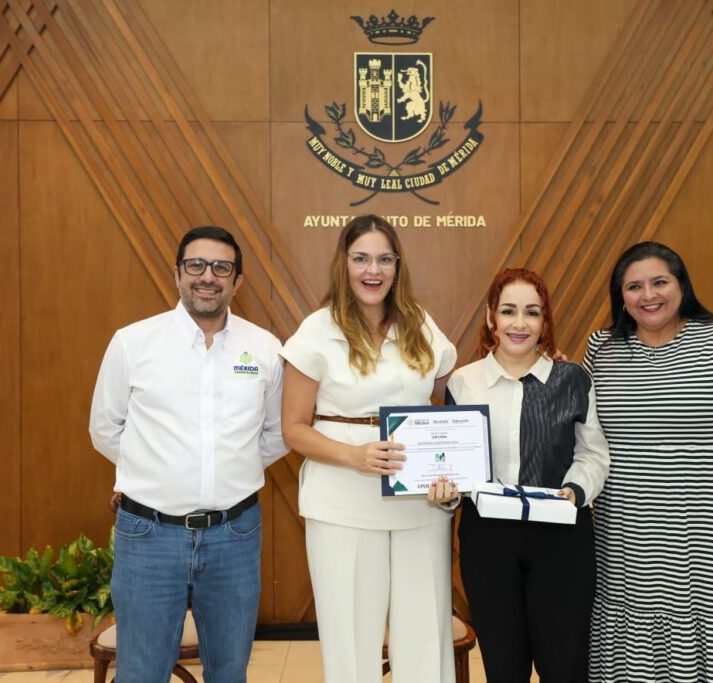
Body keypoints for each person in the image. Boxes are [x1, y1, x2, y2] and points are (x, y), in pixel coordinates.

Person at [89, 226, 287, 683]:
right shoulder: (133, 342)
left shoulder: (265, 348)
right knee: (141, 673)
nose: (207, 276)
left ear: (237, 281)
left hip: (235, 535)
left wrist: (228, 469)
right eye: (196, 265)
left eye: (221, 267)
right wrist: (157, 469)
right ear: (178, 274)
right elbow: (105, 428)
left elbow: (276, 434)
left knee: (230, 672)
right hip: (148, 535)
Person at [583, 241, 713, 682]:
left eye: (660, 282)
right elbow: (583, 437)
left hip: (711, 543)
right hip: (626, 542)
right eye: (634, 286)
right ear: (620, 296)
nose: (648, 295)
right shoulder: (602, 348)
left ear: (681, 285)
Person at [280, 215, 458, 682]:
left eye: (384, 259)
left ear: (398, 266)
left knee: (425, 635)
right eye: (361, 258)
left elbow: (443, 406)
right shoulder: (317, 330)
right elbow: (293, 429)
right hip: (342, 503)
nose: (372, 270)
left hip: (418, 504)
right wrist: (354, 457)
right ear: (344, 263)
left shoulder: (421, 325)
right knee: (351, 641)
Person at [429, 267, 609, 682]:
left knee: (564, 667)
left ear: (545, 320)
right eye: (509, 311)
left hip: (562, 537)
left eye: (532, 312)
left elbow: (593, 454)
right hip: (488, 540)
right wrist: (448, 492)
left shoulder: (572, 379)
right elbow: (455, 463)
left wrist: (575, 490)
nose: (520, 323)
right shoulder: (464, 383)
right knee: (504, 667)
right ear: (491, 316)